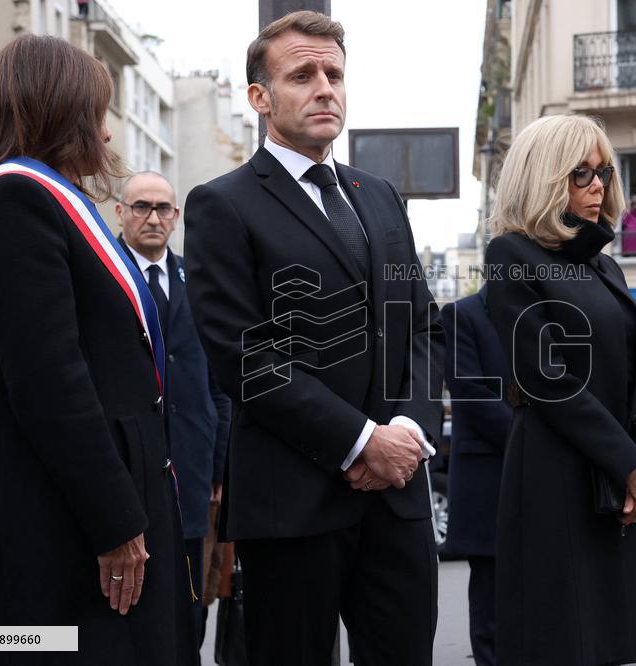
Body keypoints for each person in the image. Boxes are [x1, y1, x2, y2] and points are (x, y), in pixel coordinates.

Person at [183, 11, 444, 665]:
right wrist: (359, 442)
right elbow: (242, 355)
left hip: (397, 499)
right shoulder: (223, 204)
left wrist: (405, 434)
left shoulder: (380, 196)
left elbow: (423, 325)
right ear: (260, 99)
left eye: (334, 73)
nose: (326, 87)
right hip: (293, 507)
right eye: (303, 74)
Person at [0, 34, 194, 665]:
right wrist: (114, 520)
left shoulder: (43, 198)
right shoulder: (14, 199)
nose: (106, 135)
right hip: (71, 523)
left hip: (96, 502)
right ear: (59, 109)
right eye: (98, 114)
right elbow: (49, 382)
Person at [484, 114, 636, 665]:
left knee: (608, 640)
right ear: (544, 177)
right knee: (560, 640)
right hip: (554, 472)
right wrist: (630, 463)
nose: (598, 187)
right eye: (581, 174)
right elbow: (547, 379)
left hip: (614, 477)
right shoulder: (510, 256)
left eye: (604, 173)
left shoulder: (605, 265)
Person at [115, 171, 231, 646]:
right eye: (141, 206)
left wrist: (220, 466)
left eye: (163, 208)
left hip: (192, 468)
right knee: (132, 601)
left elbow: (219, 384)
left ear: (177, 217)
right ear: (120, 213)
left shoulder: (197, 281)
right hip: (128, 467)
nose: (153, 217)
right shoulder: (105, 275)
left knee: (191, 601)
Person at [441, 284, 510, 666]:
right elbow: (470, 391)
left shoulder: (544, 310)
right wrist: (532, 441)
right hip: (488, 480)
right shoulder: (461, 314)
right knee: (491, 600)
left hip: (540, 479)